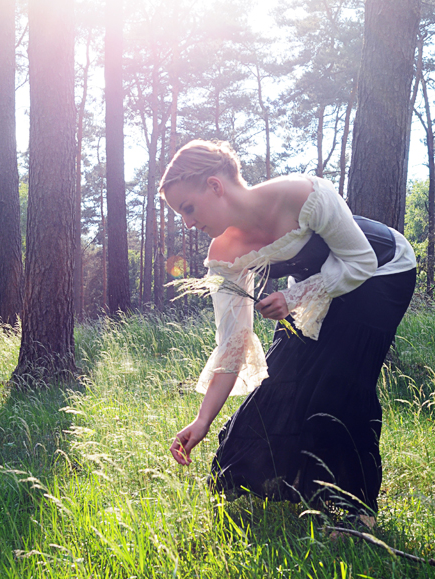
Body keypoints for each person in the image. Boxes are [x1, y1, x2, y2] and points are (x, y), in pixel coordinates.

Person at [159, 139, 416, 521]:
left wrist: (293, 297)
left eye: (188, 208)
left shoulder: (304, 193)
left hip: (381, 269)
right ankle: (309, 488)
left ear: (215, 186)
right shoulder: (224, 255)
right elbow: (232, 345)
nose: (189, 223)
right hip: (315, 286)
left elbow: (359, 260)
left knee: (337, 381)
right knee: (279, 387)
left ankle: (355, 511)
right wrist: (202, 420)